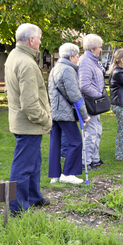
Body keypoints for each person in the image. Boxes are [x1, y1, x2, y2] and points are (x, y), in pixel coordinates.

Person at [5, 23, 52, 215]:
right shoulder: (27, 63)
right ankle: (16, 208)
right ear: (31, 40)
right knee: (23, 167)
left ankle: (33, 197)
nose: (41, 42)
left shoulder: (15, 56)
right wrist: (46, 120)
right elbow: (30, 104)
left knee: (33, 162)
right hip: (29, 124)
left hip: (23, 122)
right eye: (39, 38)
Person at [48, 43, 91, 184]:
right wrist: (85, 115)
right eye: (78, 56)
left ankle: (55, 175)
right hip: (64, 112)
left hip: (55, 110)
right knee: (76, 141)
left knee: (55, 142)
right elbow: (74, 95)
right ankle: (68, 174)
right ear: (71, 57)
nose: (79, 59)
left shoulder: (55, 68)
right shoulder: (68, 70)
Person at [78, 34, 107, 170]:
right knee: (91, 133)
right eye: (100, 47)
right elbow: (84, 85)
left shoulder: (94, 60)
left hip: (96, 103)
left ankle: (95, 159)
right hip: (91, 103)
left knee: (97, 130)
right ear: (92, 48)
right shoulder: (85, 61)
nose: (101, 50)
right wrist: (98, 96)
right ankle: (86, 162)